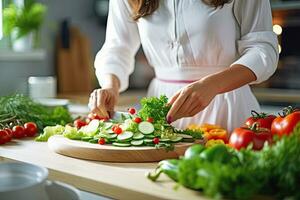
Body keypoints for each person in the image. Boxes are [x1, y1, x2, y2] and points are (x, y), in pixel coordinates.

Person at [88, 0, 278, 132]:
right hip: (162, 107)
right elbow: (117, 47)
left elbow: (263, 49)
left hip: (226, 102)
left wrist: (213, 85)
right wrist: (110, 87)